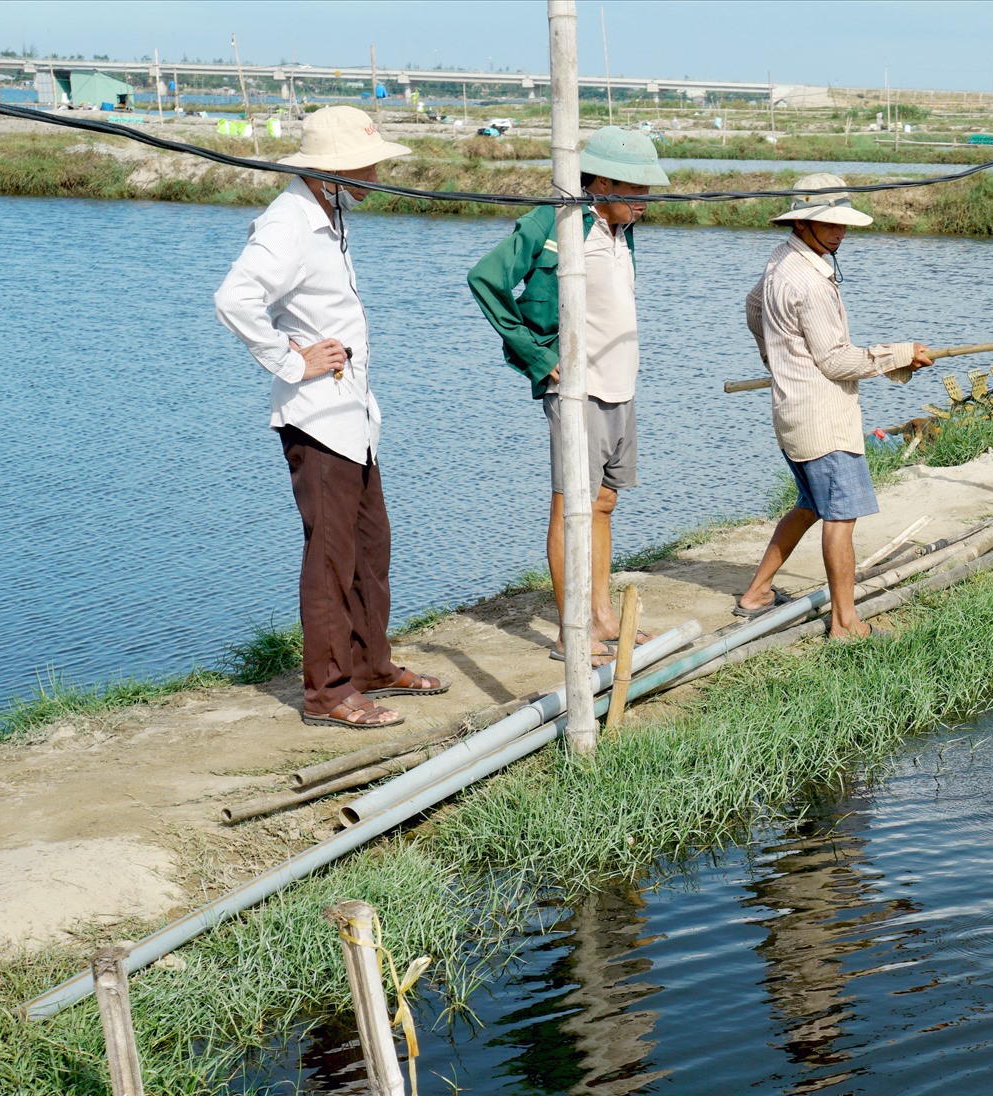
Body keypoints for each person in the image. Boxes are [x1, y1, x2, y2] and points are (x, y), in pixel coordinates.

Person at [214, 106, 445, 729]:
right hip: (317, 420)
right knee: (330, 558)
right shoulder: (288, 222)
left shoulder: (328, 215)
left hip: (352, 416)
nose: (374, 175)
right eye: (363, 165)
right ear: (328, 171)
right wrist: (291, 361)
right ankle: (328, 692)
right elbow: (234, 299)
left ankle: (370, 666)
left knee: (371, 546)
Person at [467, 126, 669, 661]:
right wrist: (538, 356)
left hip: (622, 384)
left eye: (647, 189)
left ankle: (602, 618)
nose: (645, 200)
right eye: (636, 189)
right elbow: (486, 278)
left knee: (603, 502)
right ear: (601, 182)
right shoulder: (555, 221)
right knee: (570, 506)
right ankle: (571, 631)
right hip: (577, 390)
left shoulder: (621, 228)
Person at [735, 175, 933, 641]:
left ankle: (757, 594)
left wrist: (780, 359)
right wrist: (900, 354)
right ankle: (846, 624)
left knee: (810, 505)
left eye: (843, 224)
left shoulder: (780, 260)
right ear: (802, 223)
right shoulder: (810, 281)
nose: (840, 232)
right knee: (840, 518)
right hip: (822, 419)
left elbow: (752, 307)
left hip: (792, 410)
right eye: (829, 224)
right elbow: (836, 360)